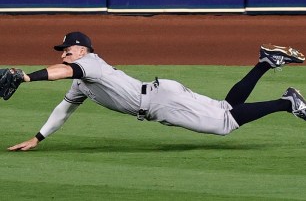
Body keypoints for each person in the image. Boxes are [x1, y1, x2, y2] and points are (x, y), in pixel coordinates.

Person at [8, 31, 306, 151]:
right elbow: (64, 109)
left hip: (160, 102)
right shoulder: (82, 80)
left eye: (67, 50)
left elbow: (60, 72)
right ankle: (266, 62)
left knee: (224, 124)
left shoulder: (90, 64)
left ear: (83, 50)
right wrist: (37, 138)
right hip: (161, 95)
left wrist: (26, 78)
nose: (63, 54)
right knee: (226, 107)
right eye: (61, 51)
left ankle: (287, 103)